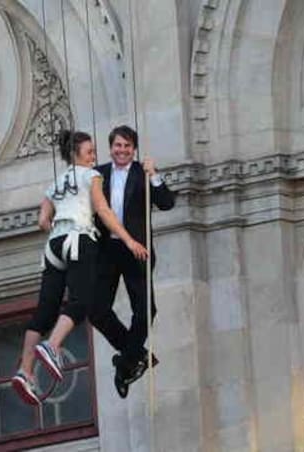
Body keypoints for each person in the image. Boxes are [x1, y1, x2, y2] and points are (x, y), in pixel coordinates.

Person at [11, 130, 149, 405]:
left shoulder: (55, 182)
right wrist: (129, 240)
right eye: (90, 153)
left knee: (45, 309)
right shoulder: (91, 175)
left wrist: (60, 227)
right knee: (81, 300)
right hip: (79, 239)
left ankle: (25, 371)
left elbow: (42, 221)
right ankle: (52, 346)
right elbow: (104, 211)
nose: (94, 157)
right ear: (77, 154)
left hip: (54, 245)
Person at [89, 125, 176, 398]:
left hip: (136, 250)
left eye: (127, 146)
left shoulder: (141, 172)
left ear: (133, 149)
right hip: (108, 250)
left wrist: (155, 176)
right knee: (97, 309)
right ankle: (136, 355)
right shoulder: (98, 175)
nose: (122, 150)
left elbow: (167, 203)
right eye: (118, 145)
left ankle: (126, 363)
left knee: (146, 310)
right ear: (111, 148)